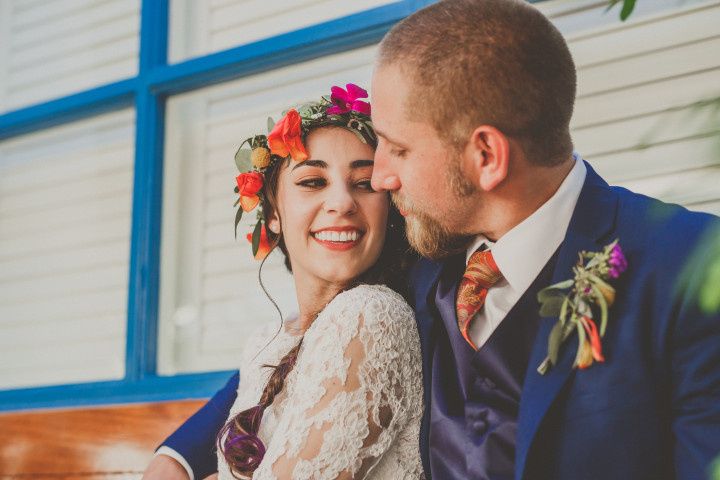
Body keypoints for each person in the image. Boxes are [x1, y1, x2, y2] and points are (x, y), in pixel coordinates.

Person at [147, 1, 720, 479]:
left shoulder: (690, 269)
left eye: (395, 150)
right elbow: (295, 355)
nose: (383, 178)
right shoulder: (419, 256)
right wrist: (176, 456)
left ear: (486, 157)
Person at [144, 87, 424, 479]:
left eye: (364, 183)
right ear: (273, 214)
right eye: (312, 181)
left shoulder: (373, 316)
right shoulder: (268, 342)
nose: (342, 202)